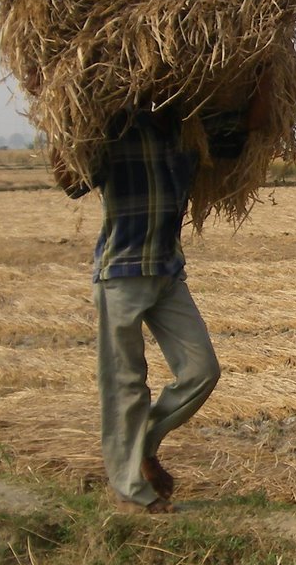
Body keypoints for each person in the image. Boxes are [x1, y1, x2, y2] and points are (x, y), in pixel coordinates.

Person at [49, 85, 270, 515]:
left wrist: (262, 69)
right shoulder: (117, 127)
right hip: (122, 274)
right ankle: (133, 492)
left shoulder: (191, 129)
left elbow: (251, 123)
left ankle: (144, 444)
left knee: (202, 371)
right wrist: (61, 111)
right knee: (125, 385)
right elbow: (71, 182)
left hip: (168, 271)